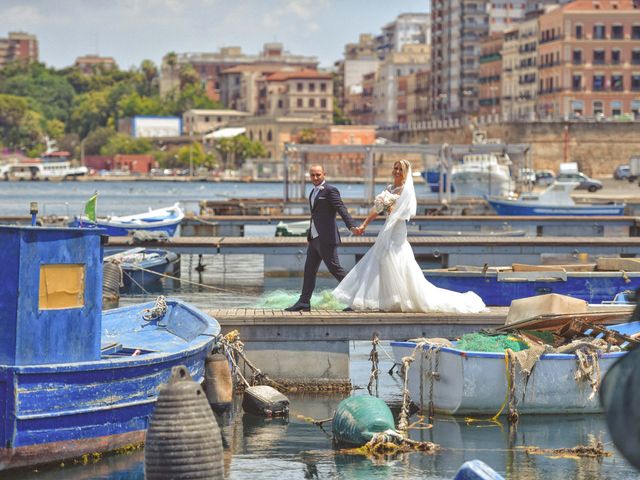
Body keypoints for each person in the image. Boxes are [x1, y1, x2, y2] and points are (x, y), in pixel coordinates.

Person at [333, 160, 485, 313]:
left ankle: (399, 298)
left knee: (394, 259)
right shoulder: (389, 189)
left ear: (406, 173)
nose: (397, 171)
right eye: (396, 168)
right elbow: (377, 209)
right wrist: (364, 224)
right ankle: (379, 299)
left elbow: (407, 213)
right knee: (378, 260)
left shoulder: (407, 190)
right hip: (387, 228)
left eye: (401, 169)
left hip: (398, 230)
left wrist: (392, 208)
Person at [285, 164, 361, 312]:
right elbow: (314, 216)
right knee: (309, 270)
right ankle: (304, 302)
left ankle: (357, 300)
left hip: (327, 238)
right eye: (312, 175)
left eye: (318, 175)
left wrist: (351, 226)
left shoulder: (330, 190)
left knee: (335, 269)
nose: (315, 177)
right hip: (314, 238)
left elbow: (341, 208)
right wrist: (309, 235)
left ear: (324, 174)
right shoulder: (313, 192)